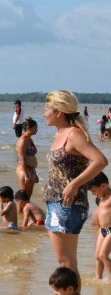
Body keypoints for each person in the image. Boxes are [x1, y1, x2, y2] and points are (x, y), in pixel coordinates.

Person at [43, 90, 108, 275]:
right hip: (57, 203)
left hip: (67, 205)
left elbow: (100, 161)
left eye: (47, 108)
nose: (44, 113)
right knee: (66, 263)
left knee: (66, 263)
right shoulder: (61, 134)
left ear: (59, 113)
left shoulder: (73, 134)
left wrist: (73, 185)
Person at [88, 172, 111, 281]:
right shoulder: (100, 198)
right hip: (103, 230)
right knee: (97, 256)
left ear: (103, 186)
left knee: (103, 255)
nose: (93, 194)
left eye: (94, 191)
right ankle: (98, 278)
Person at [16, 117, 39, 198]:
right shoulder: (23, 140)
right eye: (36, 127)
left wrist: (34, 173)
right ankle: (20, 211)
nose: (37, 129)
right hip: (24, 169)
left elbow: (31, 156)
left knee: (28, 197)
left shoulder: (29, 139)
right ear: (30, 128)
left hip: (31, 169)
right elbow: (21, 158)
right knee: (23, 197)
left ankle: (26, 211)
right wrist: (26, 175)